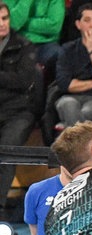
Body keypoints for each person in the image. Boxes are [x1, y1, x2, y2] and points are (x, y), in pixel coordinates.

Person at [0, 1, 37, 218]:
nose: (2, 24)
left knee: (5, 150)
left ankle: (0, 211)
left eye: (5, 18)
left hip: (19, 112)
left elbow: (23, 80)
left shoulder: (24, 46)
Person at [5, 0, 64, 76]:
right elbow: (13, 24)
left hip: (46, 44)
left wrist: (24, 23)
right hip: (18, 43)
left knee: (60, 55)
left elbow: (54, 26)